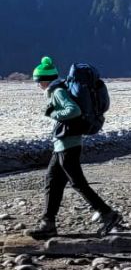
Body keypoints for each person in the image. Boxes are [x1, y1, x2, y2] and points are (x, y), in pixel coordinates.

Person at [28, 56, 121, 239]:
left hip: (67, 144)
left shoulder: (57, 92)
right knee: (52, 182)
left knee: (77, 182)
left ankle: (107, 213)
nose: (37, 85)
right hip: (64, 144)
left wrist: (53, 113)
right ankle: (48, 223)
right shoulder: (59, 88)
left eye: (38, 81)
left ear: (44, 80)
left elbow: (73, 110)